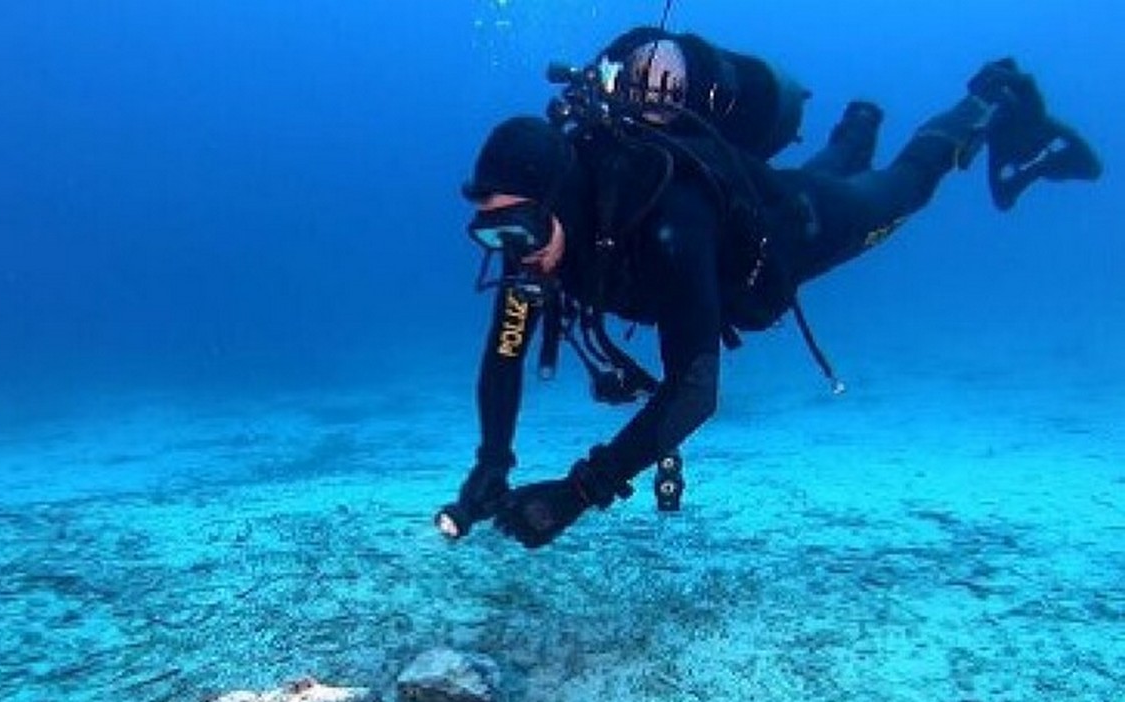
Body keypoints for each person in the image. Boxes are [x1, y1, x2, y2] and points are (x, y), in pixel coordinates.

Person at [436, 27, 1102, 549]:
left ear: (561, 198)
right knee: (837, 177)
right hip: (764, 200)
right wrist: (492, 461)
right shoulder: (545, 248)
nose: (514, 256)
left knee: (898, 192)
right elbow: (504, 353)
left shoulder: (670, 218)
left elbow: (694, 391)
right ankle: (855, 130)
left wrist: (581, 492)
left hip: (794, 229)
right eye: (492, 236)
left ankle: (990, 97)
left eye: (519, 230)